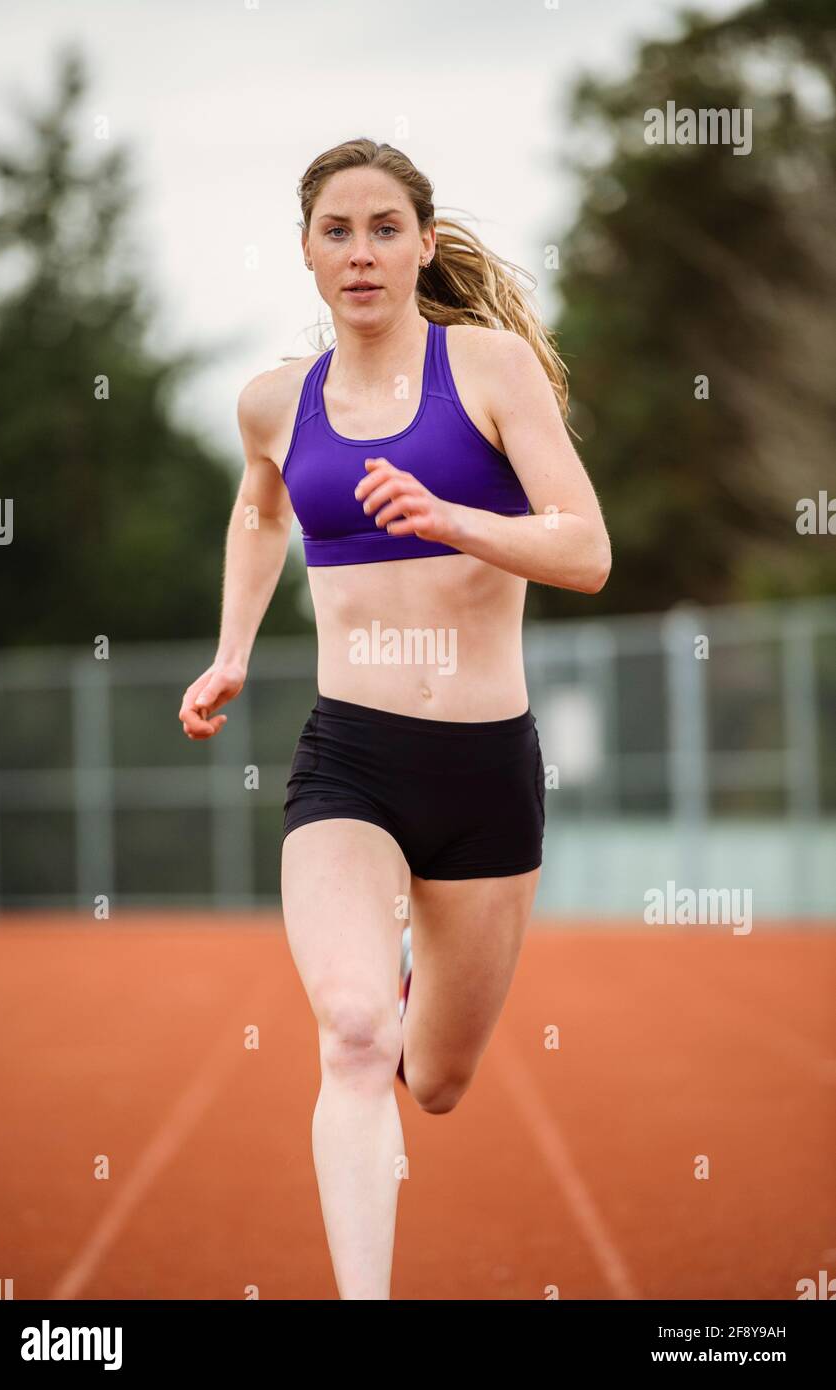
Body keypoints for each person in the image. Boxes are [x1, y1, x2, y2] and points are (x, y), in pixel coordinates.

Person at [178, 138, 610, 1299]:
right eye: (337, 230)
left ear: (423, 243)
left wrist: (455, 516)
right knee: (356, 1033)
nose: (360, 251)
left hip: (485, 774)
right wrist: (229, 654)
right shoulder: (273, 401)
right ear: (307, 254)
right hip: (351, 761)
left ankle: (420, 974)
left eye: (383, 228)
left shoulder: (492, 369)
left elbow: (587, 550)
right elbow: (260, 515)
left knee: (436, 1081)